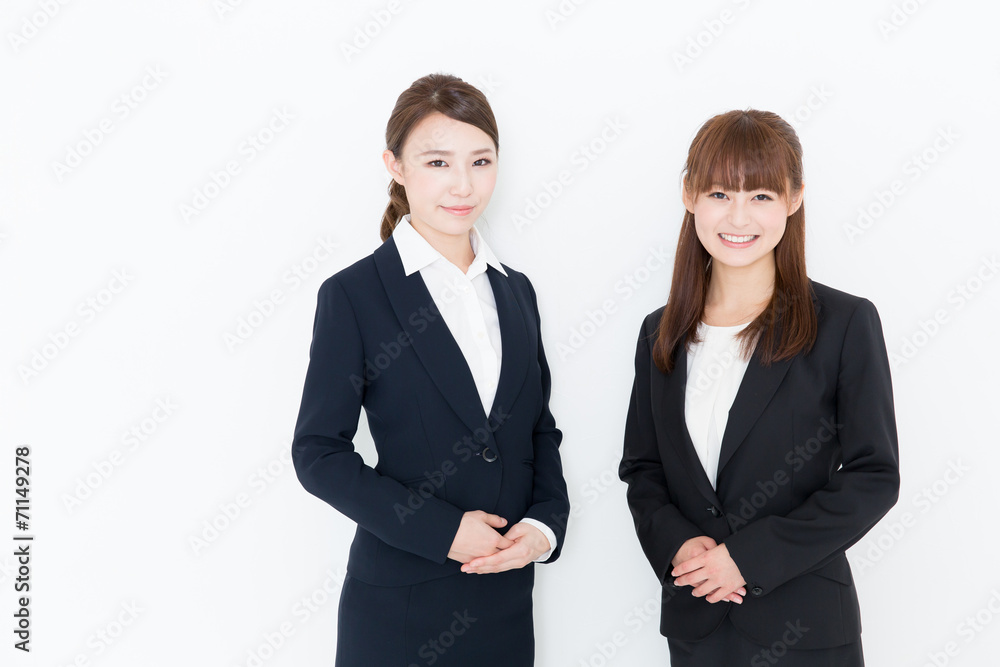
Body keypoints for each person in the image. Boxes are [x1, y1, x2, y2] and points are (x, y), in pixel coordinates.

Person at [291, 73, 569, 667]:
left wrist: (543, 528)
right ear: (395, 165)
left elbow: (537, 429)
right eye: (438, 161)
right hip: (399, 612)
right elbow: (318, 453)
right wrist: (440, 531)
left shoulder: (516, 291)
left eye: (481, 161)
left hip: (505, 605)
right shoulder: (355, 294)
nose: (463, 185)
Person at [618, 109, 899, 665]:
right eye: (720, 193)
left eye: (762, 196)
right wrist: (679, 546)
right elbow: (643, 469)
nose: (738, 216)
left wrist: (749, 557)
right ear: (689, 195)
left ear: (794, 199)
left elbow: (874, 476)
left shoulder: (843, 322)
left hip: (806, 628)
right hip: (698, 622)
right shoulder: (662, 331)